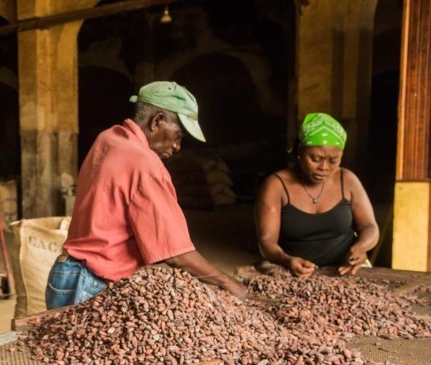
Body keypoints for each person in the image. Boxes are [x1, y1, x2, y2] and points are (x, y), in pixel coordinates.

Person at [46, 81, 247, 310]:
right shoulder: (145, 164)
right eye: (178, 135)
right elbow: (176, 254)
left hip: (65, 275)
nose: (177, 146)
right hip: (92, 285)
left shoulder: (108, 138)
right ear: (157, 121)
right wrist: (228, 283)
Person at [255, 112, 379, 277]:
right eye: (316, 159)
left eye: (333, 160)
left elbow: (370, 227)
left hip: (347, 268)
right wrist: (287, 260)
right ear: (300, 151)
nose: (324, 167)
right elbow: (266, 242)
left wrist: (361, 247)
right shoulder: (276, 185)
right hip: (294, 271)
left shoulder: (347, 180)